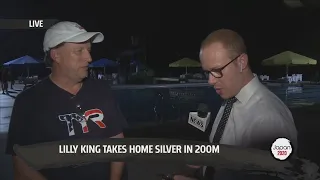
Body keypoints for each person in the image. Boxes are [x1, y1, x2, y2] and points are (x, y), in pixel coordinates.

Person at [6, 21, 128, 180]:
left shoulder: (102, 90)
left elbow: (117, 141)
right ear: (56, 55)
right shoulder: (29, 102)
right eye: (79, 51)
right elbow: (21, 165)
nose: (89, 58)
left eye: (89, 50)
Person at [173, 29, 298, 180]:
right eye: (208, 72)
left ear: (241, 62)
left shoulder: (268, 120)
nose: (210, 81)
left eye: (217, 70)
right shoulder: (231, 99)